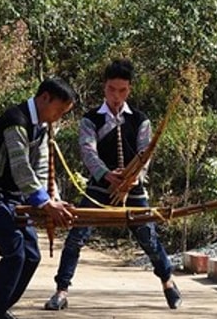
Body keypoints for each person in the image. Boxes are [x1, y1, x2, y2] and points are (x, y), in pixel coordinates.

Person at [44, 59, 180, 311]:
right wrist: (108, 175)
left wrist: (131, 179)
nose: (116, 96)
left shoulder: (140, 120)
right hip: (99, 189)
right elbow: (88, 152)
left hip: (133, 189)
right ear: (104, 88)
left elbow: (145, 154)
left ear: (129, 90)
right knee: (76, 238)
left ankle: (168, 281)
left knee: (148, 238)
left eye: (122, 90)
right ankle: (61, 291)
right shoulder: (90, 119)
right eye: (111, 90)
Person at [0, 77, 78, 319]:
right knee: (15, 253)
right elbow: (21, 169)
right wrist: (47, 204)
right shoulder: (15, 120)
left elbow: (41, 167)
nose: (58, 116)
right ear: (44, 97)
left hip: (14, 199)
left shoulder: (43, 126)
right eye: (59, 110)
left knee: (31, 256)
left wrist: (53, 198)